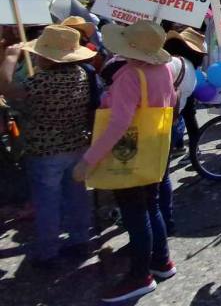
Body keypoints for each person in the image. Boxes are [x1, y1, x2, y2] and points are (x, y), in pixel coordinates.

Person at [73, 21, 176, 303]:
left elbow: (119, 123)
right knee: (151, 205)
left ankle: (140, 276)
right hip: (155, 146)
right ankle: (162, 261)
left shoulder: (131, 75)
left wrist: (88, 160)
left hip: (130, 150)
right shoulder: (165, 69)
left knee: (135, 212)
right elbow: (172, 101)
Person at [0, 25, 96, 267]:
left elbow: (8, 89)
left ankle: (49, 252)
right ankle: (80, 240)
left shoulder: (42, 81)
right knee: (77, 197)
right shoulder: (81, 74)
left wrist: (10, 60)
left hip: (45, 152)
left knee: (47, 203)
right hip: (76, 145)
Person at [160, 27, 205, 233]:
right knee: (162, 175)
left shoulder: (172, 63)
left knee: (156, 178)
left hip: (157, 123)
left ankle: (161, 220)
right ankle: (165, 219)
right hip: (170, 123)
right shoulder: (190, 70)